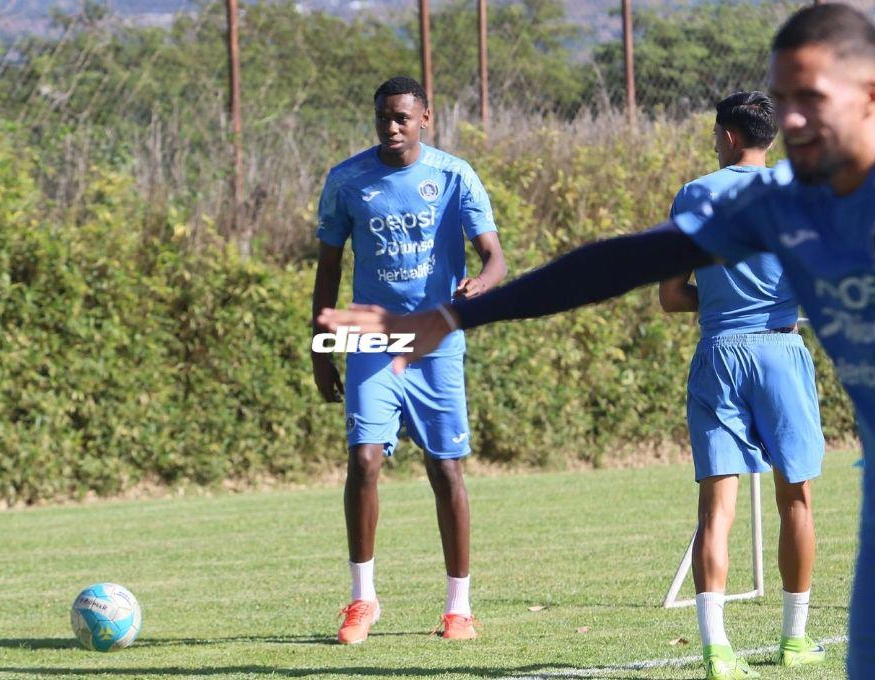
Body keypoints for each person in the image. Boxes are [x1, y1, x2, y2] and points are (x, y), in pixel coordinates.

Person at [317, 5, 875, 676]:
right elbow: (613, 266)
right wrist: (459, 317)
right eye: (781, 100)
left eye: (808, 98)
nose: (790, 121)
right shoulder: (771, 202)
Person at [311, 76, 507, 644]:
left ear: (426, 118)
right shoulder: (347, 180)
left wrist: (484, 283)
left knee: (445, 469)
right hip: (371, 339)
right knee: (364, 460)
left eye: (401, 117)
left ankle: (458, 607)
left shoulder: (453, 176)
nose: (391, 128)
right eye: (382, 118)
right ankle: (362, 600)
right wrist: (320, 349)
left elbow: (492, 254)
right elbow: (327, 270)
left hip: (436, 343)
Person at [659, 91, 825, 678]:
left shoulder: (695, 194)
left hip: (719, 353)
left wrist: (723, 301)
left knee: (716, 509)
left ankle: (716, 649)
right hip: (780, 350)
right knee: (796, 499)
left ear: (729, 136)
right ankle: (794, 639)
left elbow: (671, 295)